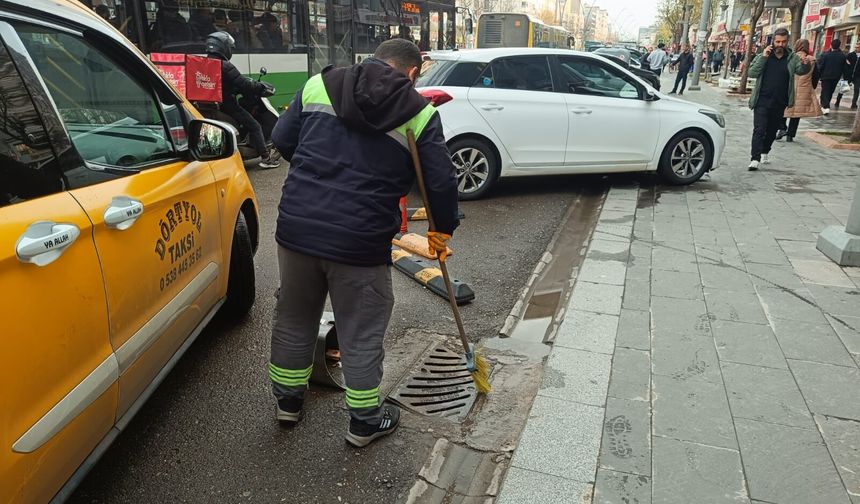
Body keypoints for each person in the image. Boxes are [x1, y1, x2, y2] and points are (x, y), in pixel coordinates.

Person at [267, 39, 459, 448]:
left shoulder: (319, 84)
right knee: (361, 329)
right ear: (412, 72)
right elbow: (440, 181)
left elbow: (282, 138)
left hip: (298, 229)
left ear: (372, 58)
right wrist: (442, 229)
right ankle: (364, 422)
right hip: (361, 240)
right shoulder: (419, 114)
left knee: (295, 316)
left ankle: (287, 402)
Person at [205, 32, 280, 169]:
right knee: (255, 126)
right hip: (228, 106)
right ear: (223, 48)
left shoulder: (203, 64)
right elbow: (244, 84)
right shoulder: (225, 66)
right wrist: (260, 87)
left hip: (209, 106)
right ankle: (266, 158)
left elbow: (220, 85)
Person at [746, 28, 812, 171]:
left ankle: (765, 151)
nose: (780, 44)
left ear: (787, 42)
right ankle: (754, 159)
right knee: (759, 129)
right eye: (777, 41)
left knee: (771, 130)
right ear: (773, 41)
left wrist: (806, 63)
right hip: (761, 100)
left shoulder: (792, 57)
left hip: (780, 101)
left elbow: (801, 70)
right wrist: (763, 57)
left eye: (783, 42)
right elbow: (752, 72)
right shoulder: (764, 55)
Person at [779, 39, 822, 143]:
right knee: (797, 113)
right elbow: (816, 76)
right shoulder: (812, 60)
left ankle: (782, 128)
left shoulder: (790, 58)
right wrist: (812, 87)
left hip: (789, 87)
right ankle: (790, 135)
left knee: (784, 109)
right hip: (805, 89)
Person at [817, 39, 846, 114]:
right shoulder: (842, 56)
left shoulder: (826, 55)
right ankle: (824, 105)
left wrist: (818, 74)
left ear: (831, 45)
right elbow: (844, 67)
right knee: (830, 91)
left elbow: (821, 66)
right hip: (836, 77)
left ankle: (825, 106)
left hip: (825, 76)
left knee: (825, 91)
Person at [845, 41, 860, 109]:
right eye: (855, 47)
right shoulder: (850, 55)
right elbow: (845, 63)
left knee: (856, 90)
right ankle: (837, 101)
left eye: (857, 47)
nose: (856, 48)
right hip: (849, 75)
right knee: (843, 88)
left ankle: (854, 104)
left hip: (857, 76)